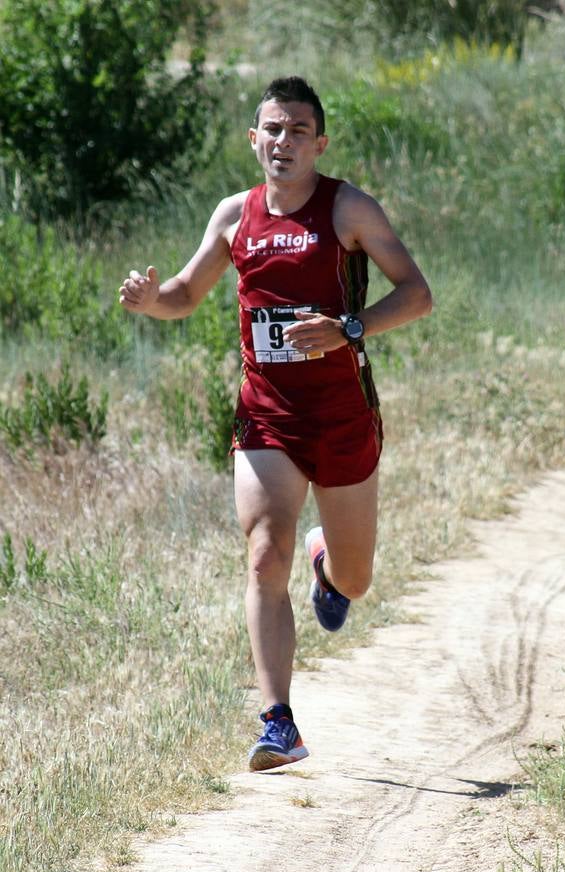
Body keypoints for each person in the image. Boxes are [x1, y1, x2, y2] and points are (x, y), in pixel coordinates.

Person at [119, 76, 433, 772]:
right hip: (266, 415)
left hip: (344, 414)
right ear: (253, 139)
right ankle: (278, 722)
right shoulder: (235, 216)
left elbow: (417, 294)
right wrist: (150, 301)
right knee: (264, 552)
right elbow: (184, 293)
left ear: (319, 143)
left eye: (297, 130)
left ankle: (329, 568)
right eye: (272, 129)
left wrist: (349, 327)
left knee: (357, 579)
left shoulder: (347, 209)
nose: (283, 141)